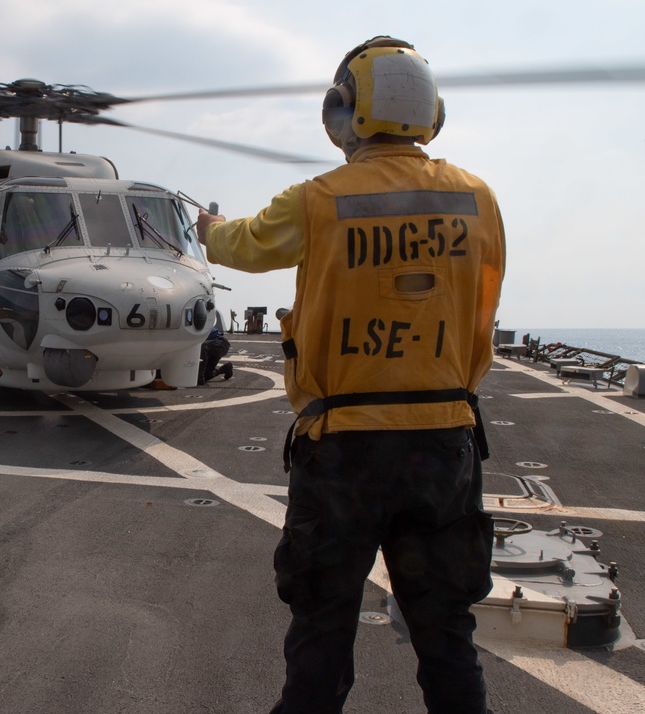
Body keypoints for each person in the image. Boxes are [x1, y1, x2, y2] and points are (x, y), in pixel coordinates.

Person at [197, 36, 505, 714]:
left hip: (343, 450)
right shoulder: (476, 199)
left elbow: (240, 247)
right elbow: (481, 311)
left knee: (321, 624)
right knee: (446, 631)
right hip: (444, 442)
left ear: (343, 115)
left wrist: (207, 226)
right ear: (433, 114)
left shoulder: (319, 199)